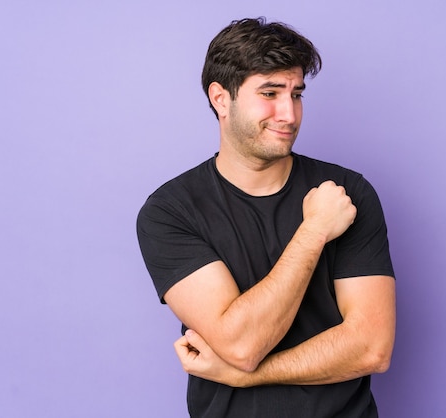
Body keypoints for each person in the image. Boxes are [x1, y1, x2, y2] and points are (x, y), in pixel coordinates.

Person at [136, 17, 396, 418]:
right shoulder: (170, 212)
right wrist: (313, 230)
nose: (289, 114)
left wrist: (247, 377)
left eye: (296, 94)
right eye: (270, 93)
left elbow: (371, 348)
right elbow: (241, 345)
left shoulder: (347, 193)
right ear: (221, 99)